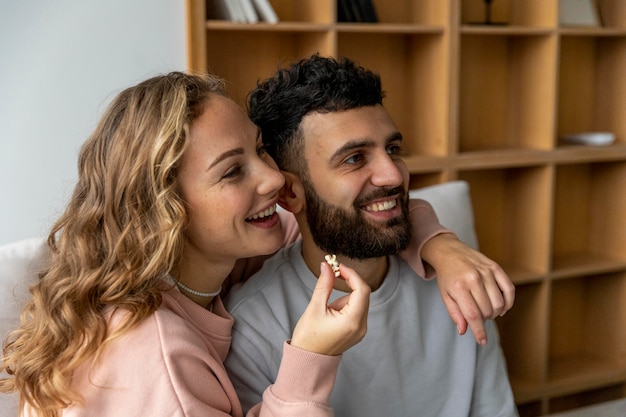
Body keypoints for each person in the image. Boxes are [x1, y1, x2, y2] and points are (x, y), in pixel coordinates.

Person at [0, 72, 372, 417]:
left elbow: (359, 217)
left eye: (259, 149)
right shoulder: (157, 355)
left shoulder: (206, 266)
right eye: (232, 171)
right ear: (166, 208)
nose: (274, 178)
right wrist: (309, 362)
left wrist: (432, 245)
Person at [224, 55, 519, 416]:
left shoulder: (457, 279)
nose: (393, 175)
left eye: (392, 150)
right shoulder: (255, 326)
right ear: (290, 193)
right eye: (354, 159)